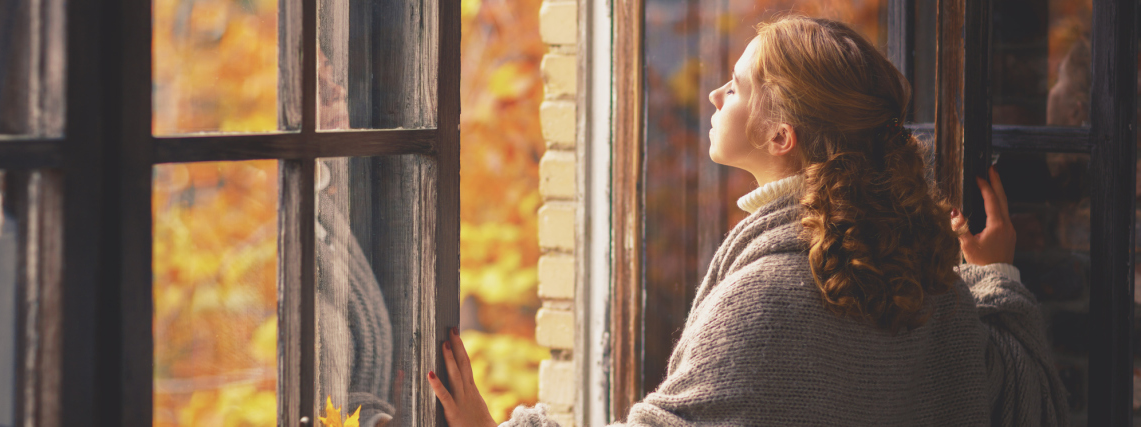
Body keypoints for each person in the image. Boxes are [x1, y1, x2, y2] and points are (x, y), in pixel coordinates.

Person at [428, 16, 1068, 426]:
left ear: (781, 134)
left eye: (735, 87)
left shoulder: (767, 299)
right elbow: (1027, 404)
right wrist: (995, 276)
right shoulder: (932, 283)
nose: (714, 96)